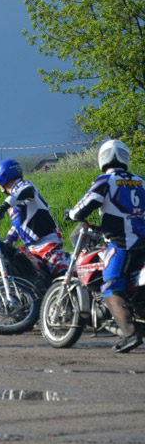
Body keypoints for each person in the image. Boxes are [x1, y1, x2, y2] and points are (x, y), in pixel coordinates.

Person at [65, 139, 144, 353]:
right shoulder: (140, 180)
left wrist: (70, 214)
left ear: (103, 158)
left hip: (122, 242)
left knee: (111, 287)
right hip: (142, 240)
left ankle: (129, 333)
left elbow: (84, 207)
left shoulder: (105, 180)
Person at [0, 159, 69, 278]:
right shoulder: (14, 200)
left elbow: (28, 191)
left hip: (47, 242)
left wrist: (4, 206)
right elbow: (17, 226)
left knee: (60, 277)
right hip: (32, 248)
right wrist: (8, 241)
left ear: (3, 179)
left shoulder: (23, 186)